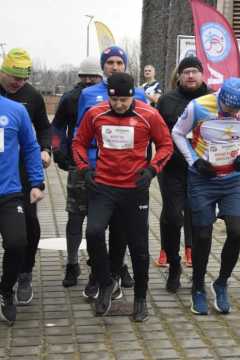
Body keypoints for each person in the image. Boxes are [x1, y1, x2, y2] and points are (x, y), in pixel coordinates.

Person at [73, 72, 173, 320]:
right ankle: (106, 282)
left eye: (124, 101)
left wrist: (151, 170)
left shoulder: (148, 114)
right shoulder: (95, 113)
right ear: (109, 96)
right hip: (104, 186)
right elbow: (78, 142)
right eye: (114, 100)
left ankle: (140, 298)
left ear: (132, 98)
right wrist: (85, 169)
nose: (118, 105)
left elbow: (166, 145)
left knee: (139, 246)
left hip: (134, 189)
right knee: (93, 232)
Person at [172, 77, 240, 315]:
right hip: (203, 179)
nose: (230, 113)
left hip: (232, 179)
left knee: (237, 231)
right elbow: (178, 133)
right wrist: (195, 161)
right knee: (202, 234)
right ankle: (198, 286)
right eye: (227, 108)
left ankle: (221, 282)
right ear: (220, 97)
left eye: (235, 110)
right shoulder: (198, 106)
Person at [76, 46, 147, 299]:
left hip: (128, 174)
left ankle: (115, 272)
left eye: (119, 62)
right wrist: (83, 165)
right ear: (102, 66)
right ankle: (98, 275)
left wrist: (146, 168)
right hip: (97, 170)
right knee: (94, 228)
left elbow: (145, 133)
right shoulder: (88, 94)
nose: (114, 66)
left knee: (120, 230)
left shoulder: (139, 95)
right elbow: (80, 132)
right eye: (110, 62)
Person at [0, 48, 51, 305]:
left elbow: (43, 127)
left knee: (28, 225)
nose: (17, 83)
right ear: (3, 70)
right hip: (4, 163)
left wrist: (45, 149)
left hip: (20, 167)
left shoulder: (30, 97)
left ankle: (24, 273)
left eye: (22, 79)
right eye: (12, 77)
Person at [156, 57, 211, 292]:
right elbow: (157, 134)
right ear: (179, 76)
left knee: (201, 224)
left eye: (194, 72)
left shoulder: (213, 100)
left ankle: (198, 274)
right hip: (172, 169)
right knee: (172, 218)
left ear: (202, 75)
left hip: (204, 171)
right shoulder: (167, 101)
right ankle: (174, 264)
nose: (190, 76)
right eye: (185, 72)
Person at [51, 56, 102, 287]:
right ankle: (72, 264)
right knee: (75, 216)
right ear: (79, 77)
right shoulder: (70, 98)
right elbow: (57, 127)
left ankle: (98, 264)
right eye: (85, 76)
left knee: (98, 221)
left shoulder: (109, 98)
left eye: (94, 76)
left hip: (106, 167)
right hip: (78, 165)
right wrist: (57, 149)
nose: (89, 80)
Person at [0, 95, 44, 324]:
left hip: (9, 192)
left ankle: (6, 290)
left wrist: (36, 182)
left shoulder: (16, 110)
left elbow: (30, 146)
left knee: (18, 243)